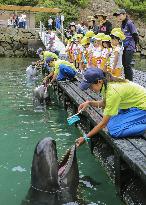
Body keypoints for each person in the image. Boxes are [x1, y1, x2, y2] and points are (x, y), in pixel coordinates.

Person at [75, 68, 146, 147]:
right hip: (135, 105)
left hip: (142, 108)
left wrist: (85, 137)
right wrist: (89, 103)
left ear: (99, 81)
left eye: (90, 86)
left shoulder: (112, 92)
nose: (90, 89)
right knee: (111, 122)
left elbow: (103, 124)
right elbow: (105, 103)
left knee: (114, 130)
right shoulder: (107, 84)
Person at [113, 9, 139, 81]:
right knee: (124, 65)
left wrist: (135, 46)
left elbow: (135, 35)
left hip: (130, 47)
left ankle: (130, 81)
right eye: (117, 16)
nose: (118, 17)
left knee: (127, 65)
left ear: (124, 14)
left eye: (120, 15)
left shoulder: (130, 23)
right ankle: (127, 80)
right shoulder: (122, 24)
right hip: (124, 47)